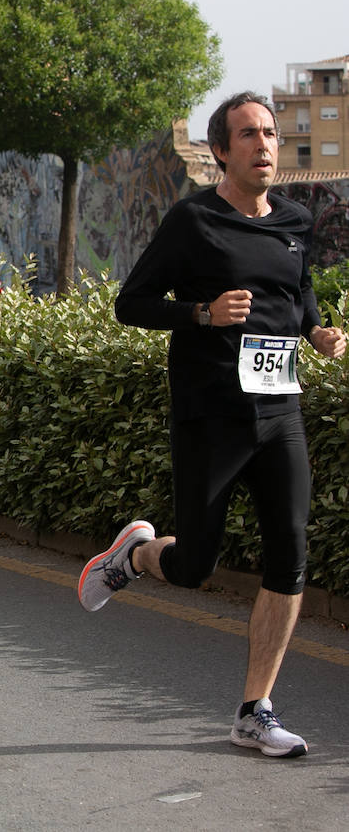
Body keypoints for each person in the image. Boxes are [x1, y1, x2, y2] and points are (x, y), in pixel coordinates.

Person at [79, 92, 347, 758]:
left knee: (291, 552)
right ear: (221, 150)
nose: (264, 144)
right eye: (248, 135)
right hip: (210, 414)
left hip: (279, 408)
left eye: (271, 133)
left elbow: (295, 287)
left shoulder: (295, 219)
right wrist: (201, 314)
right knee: (196, 565)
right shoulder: (192, 221)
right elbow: (130, 303)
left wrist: (315, 329)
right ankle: (137, 553)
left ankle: (255, 709)